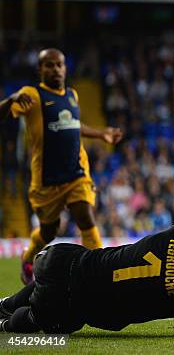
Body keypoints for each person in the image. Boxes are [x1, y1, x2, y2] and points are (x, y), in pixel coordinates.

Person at [0, 220, 174, 334]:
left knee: (35, 296)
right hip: (66, 302)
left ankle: (7, 303)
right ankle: (6, 325)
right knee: (44, 320)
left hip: (57, 258)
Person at [0, 48, 123, 284]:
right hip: (46, 180)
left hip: (76, 174)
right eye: (49, 65)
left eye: (59, 65)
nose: (55, 69)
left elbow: (73, 125)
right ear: (40, 69)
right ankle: (28, 256)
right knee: (49, 230)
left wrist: (101, 134)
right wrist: (11, 100)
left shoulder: (72, 95)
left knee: (85, 217)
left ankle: (100, 272)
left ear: (65, 68)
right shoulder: (32, 94)